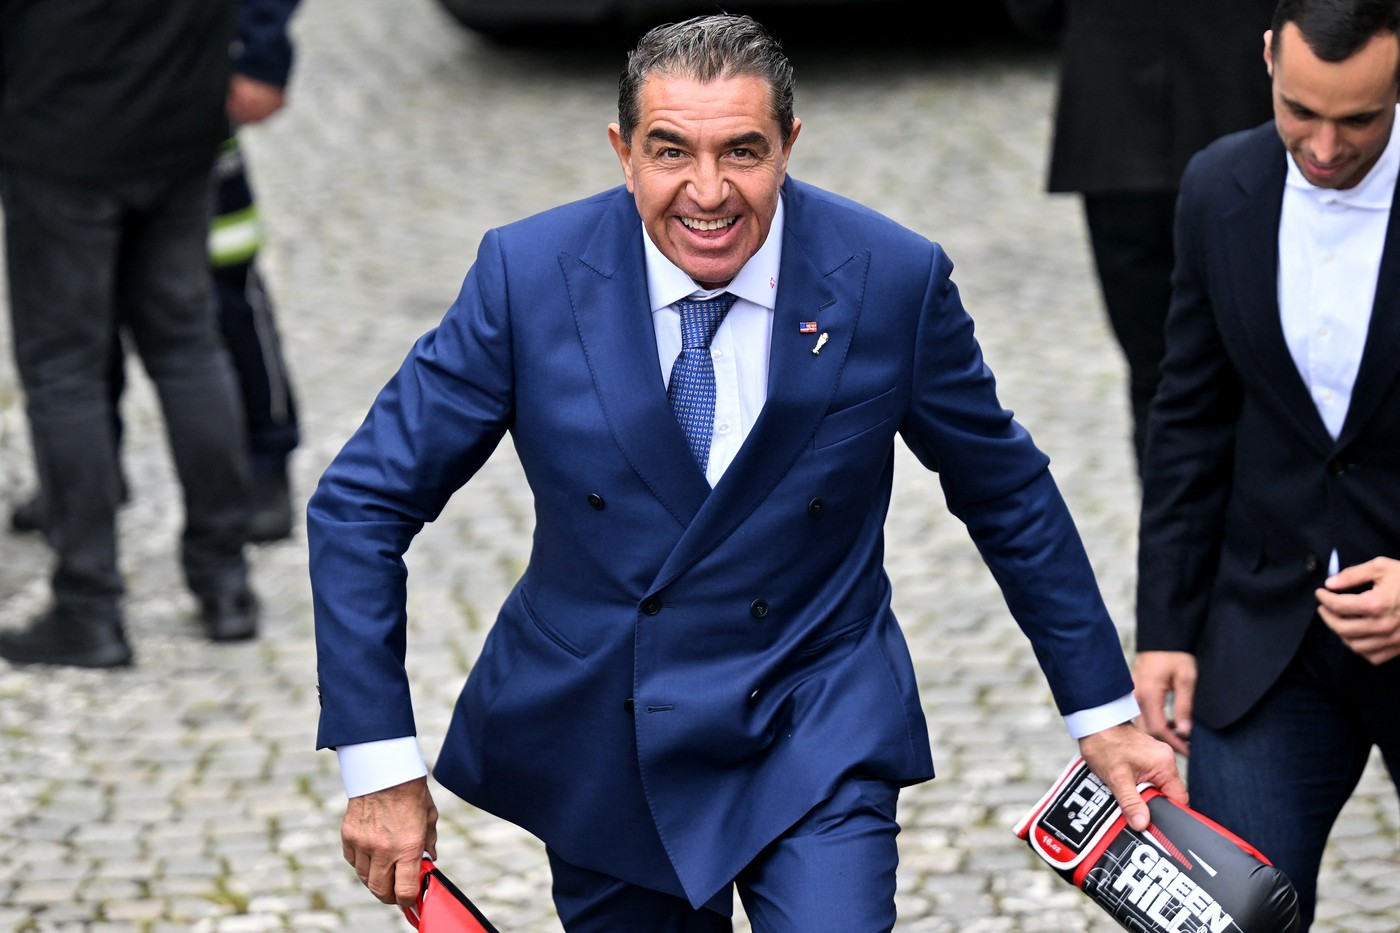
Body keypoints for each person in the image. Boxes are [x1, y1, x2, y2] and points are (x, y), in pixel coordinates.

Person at [310, 14, 1181, 931]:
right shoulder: (526, 277)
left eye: (743, 151)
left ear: (789, 146)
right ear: (623, 153)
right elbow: (361, 503)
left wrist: (1104, 715)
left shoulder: (891, 278)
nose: (708, 191)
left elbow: (1007, 493)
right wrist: (381, 764)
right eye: (670, 151)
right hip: (611, 729)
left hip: (816, 718)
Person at [1134, 0, 1400, 927]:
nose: (1324, 147)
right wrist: (1165, 627)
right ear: (1267, 59)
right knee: (1226, 919)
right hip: (1268, 640)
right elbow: (1189, 419)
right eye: (1300, 110)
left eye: (1359, 119)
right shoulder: (1219, 185)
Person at [0, 0, 260, 667]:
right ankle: (226, 582)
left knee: (65, 371)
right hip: (180, 120)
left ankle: (88, 606)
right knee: (188, 346)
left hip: (63, 131)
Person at [1005, 0, 1275, 475]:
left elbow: (1035, 10)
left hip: (1120, 126)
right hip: (1240, 106)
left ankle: (1172, 517)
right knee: (1264, 359)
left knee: (1159, 374)